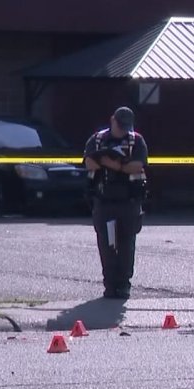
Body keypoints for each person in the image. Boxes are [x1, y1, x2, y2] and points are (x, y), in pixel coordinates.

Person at [83, 106, 148, 300]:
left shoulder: (136, 140)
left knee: (127, 243)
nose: (123, 130)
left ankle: (124, 284)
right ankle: (110, 285)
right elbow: (89, 163)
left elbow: (138, 165)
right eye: (120, 126)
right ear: (113, 120)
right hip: (104, 201)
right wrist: (106, 162)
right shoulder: (97, 140)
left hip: (129, 201)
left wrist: (115, 165)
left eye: (126, 127)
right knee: (106, 244)